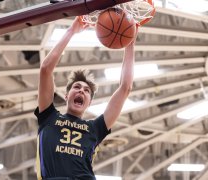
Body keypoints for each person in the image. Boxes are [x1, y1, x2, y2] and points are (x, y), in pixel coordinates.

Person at [35, 17, 137, 179]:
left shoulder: (94, 128)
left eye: (86, 91)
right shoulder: (49, 116)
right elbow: (46, 69)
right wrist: (71, 31)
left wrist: (130, 40)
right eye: (77, 87)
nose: (81, 91)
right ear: (67, 95)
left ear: (89, 102)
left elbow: (125, 88)